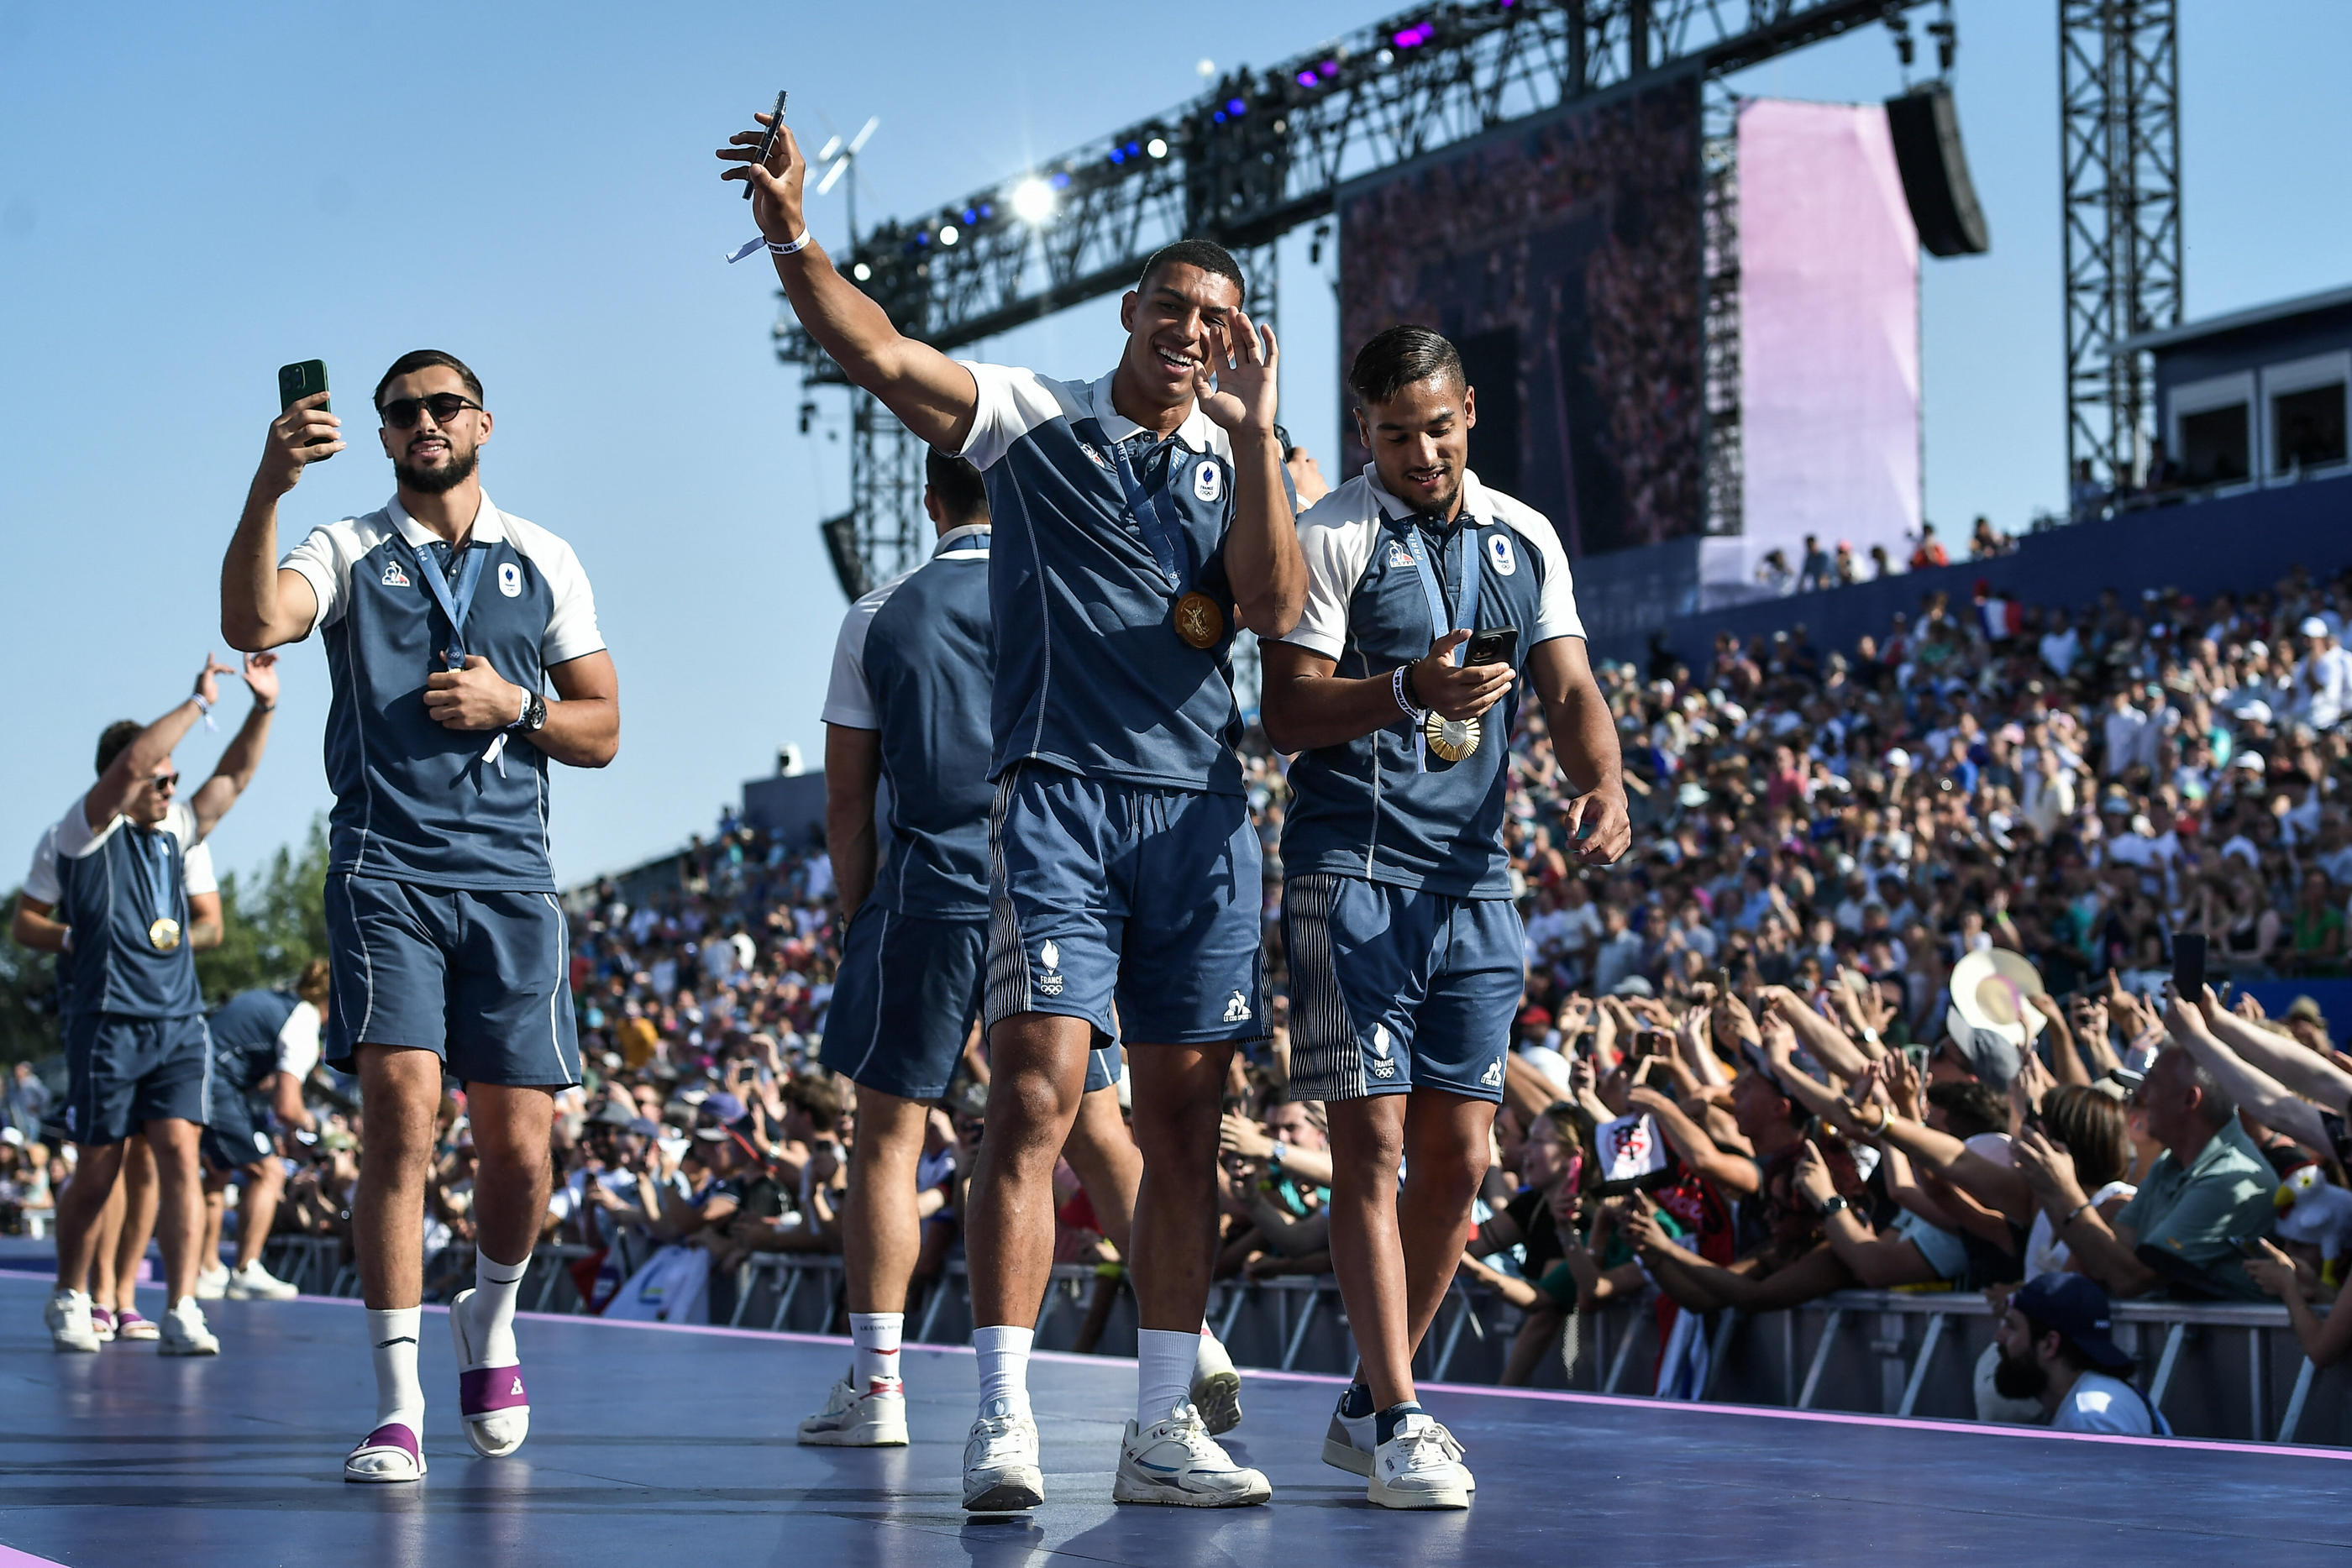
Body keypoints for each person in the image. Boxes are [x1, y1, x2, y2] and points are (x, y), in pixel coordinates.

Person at [723, 108, 1301, 1512]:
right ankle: (1003, 1415)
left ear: (1237, 342)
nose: (1189, 330)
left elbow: (1279, 608)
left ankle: (1164, 1426)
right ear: (1129, 310)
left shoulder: (1244, 463)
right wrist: (795, 236)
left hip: (1200, 821)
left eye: (1216, 319)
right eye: (1172, 306)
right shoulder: (1036, 419)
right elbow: (881, 354)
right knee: (1033, 1101)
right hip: (1052, 812)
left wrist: (1269, 433)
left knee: (1181, 1127)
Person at [218, 349, 621, 1483]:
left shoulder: (547, 557)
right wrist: (269, 480)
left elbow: (604, 728)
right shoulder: (345, 547)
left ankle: (488, 1316)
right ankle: (396, 1405)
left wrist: (517, 702)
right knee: (399, 1112)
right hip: (384, 868)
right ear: (386, 437)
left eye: (443, 405)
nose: (424, 422)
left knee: (521, 1148)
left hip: (511, 878)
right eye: (402, 412)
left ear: (483, 420)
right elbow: (253, 612)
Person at [796, 451, 1239, 1447]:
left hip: (930, 888)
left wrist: (859, 916)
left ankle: (878, 1388)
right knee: (1090, 1123)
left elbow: (844, 797)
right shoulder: (1068, 592)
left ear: (928, 499)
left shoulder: (880, 612)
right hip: (1053, 884)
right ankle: (1194, 1335)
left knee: (889, 1133)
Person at [1259, 325, 1628, 1508]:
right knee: (1367, 1146)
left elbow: (1569, 686)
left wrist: (1601, 778)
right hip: (1350, 871)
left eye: (1438, 425)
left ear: (1471, 409)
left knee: (1463, 1154)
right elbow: (1287, 711)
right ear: (1361, 433)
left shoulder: (1526, 535)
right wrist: (1405, 688)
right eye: (1394, 433)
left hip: (1477, 884)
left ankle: (1372, 1399)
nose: (1422, 450)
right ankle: (1408, 1411)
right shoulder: (1331, 536)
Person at [15, 653, 276, 1356]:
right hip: (108, 1023)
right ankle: (72, 1291)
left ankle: (183, 1304)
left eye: (172, 778)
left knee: (179, 1159)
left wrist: (263, 709)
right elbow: (134, 759)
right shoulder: (84, 833)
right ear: (126, 782)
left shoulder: (175, 834)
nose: (169, 785)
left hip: (176, 1024)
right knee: (99, 1165)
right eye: (160, 776)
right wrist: (199, 702)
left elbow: (235, 780)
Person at [194, 963, 328, 1301]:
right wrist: (311, 1125)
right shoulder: (304, 1021)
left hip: (197, 1076)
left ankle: (206, 1269)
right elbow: (287, 1107)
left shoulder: (274, 1000)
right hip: (216, 1085)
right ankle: (246, 1269)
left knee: (218, 1174)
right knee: (267, 1172)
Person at [1991, 1273, 2166, 1434]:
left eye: (2011, 1326)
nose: (1999, 1337)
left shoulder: (2090, 1418)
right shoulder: (2090, 1403)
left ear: (2050, 1344)